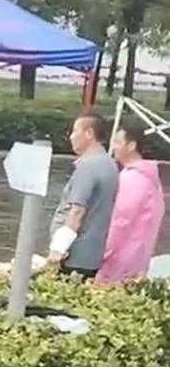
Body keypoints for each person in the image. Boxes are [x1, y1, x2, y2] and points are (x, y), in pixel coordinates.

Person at [47, 111, 120, 279]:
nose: (71, 137)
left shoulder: (87, 166)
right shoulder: (110, 164)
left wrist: (58, 249)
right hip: (94, 254)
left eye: (75, 131)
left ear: (89, 133)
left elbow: (77, 211)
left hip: (74, 256)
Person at [96, 117, 165, 283]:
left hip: (118, 264)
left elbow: (120, 222)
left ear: (131, 145)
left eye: (118, 142)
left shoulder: (132, 178)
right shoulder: (150, 179)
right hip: (138, 260)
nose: (113, 146)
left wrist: (104, 255)